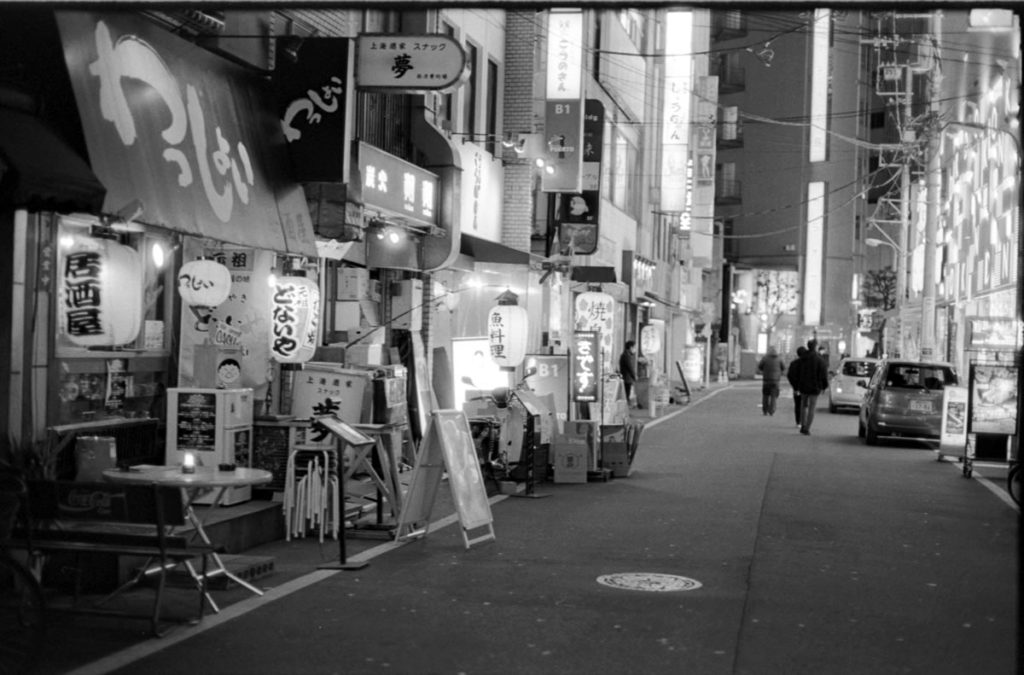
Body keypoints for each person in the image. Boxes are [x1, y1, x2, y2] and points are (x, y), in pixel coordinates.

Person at [796, 340, 829, 435]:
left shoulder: (802, 358)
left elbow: (798, 372)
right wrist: (824, 386)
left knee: (803, 405)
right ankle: (807, 427)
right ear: (815, 347)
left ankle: (803, 424)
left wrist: (798, 384)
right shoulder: (819, 360)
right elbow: (823, 374)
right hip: (815, 387)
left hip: (803, 386)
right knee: (812, 407)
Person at [756, 346, 785, 416]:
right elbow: (783, 367)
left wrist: (764, 370)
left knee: (765, 395)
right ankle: (771, 411)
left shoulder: (765, 358)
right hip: (775, 381)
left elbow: (760, 366)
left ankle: (765, 410)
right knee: (773, 396)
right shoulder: (779, 359)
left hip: (766, 380)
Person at [787, 346, 807, 428]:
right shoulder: (807, 364)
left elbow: (789, 375)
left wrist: (794, 386)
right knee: (805, 405)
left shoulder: (793, 363)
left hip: (797, 388)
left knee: (797, 405)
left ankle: (798, 421)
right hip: (806, 388)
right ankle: (804, 421)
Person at [619, 340, 638, 405]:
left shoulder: (626, 355)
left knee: (627, 394)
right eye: (634, 347)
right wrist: (634, 376)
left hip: (627, 378)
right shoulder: (626, 356)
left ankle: (626, 407)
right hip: (627, 378)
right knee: (627, 394)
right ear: (630, 347)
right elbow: (630, 367)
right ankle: (626, 409)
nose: (635, 349)